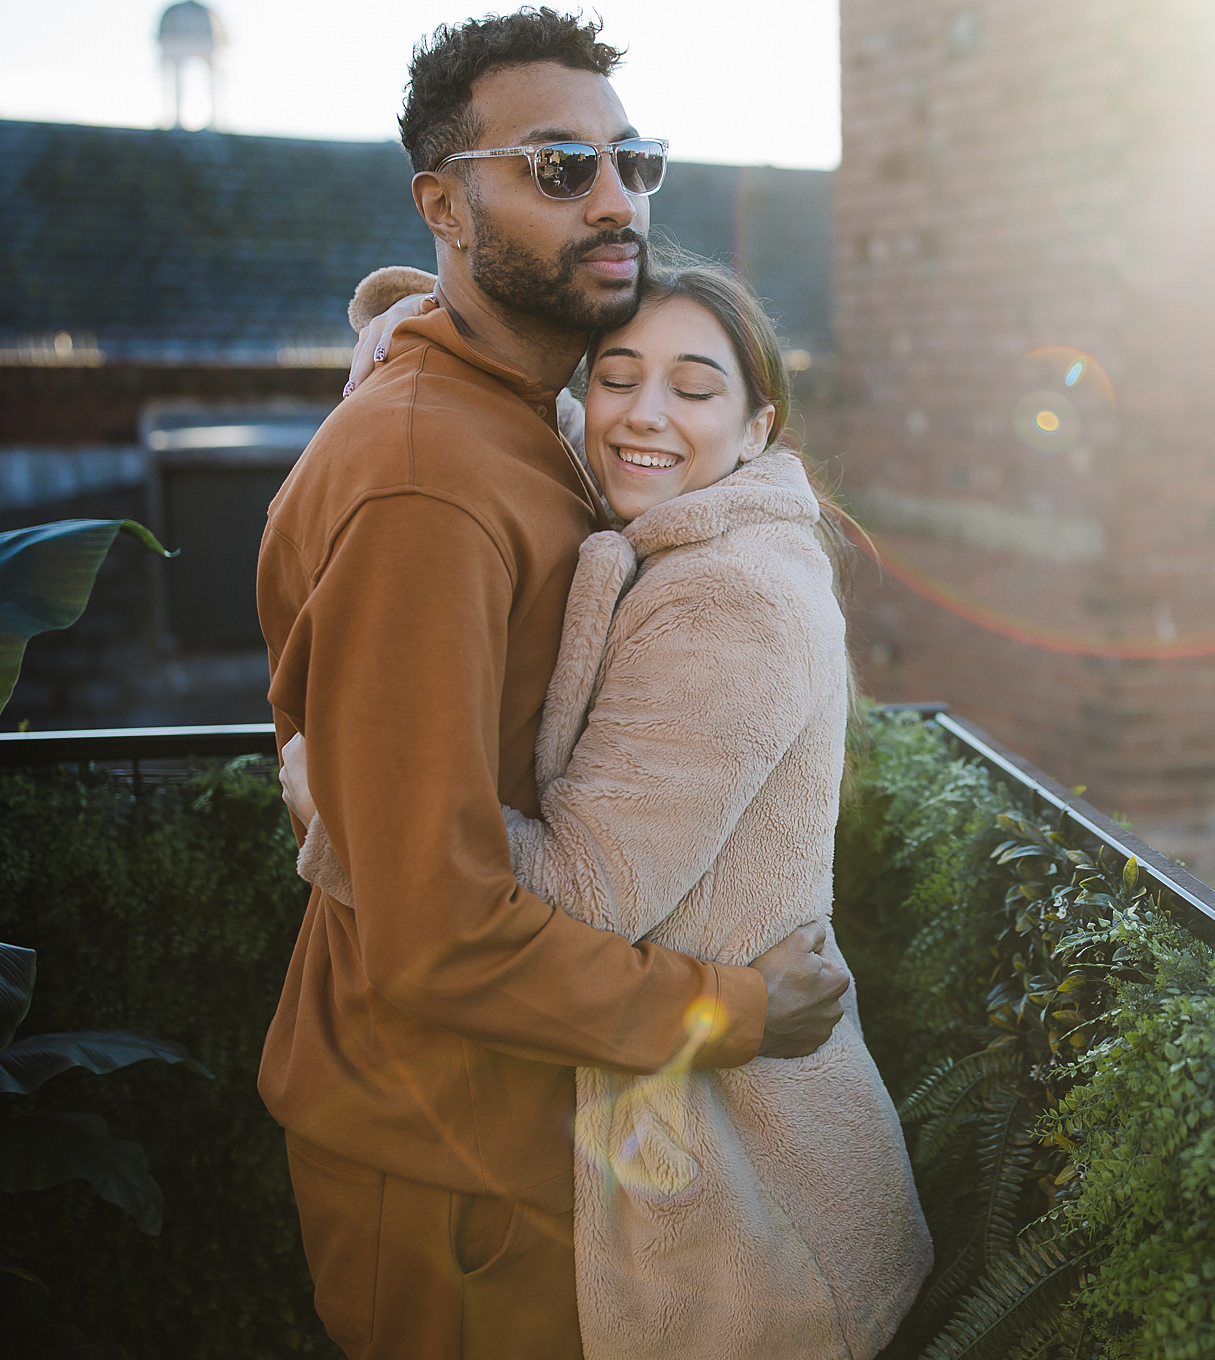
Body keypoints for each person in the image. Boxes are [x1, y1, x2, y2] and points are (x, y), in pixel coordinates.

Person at [255, 12, 853, 1358]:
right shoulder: (429, 484)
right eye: (559, 167)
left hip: (526, 1136)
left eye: (635, 162)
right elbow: (437, 932)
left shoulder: (528, 419)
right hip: (447, 1164)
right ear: (445, 207)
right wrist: (743, 1014)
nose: (615, 200)